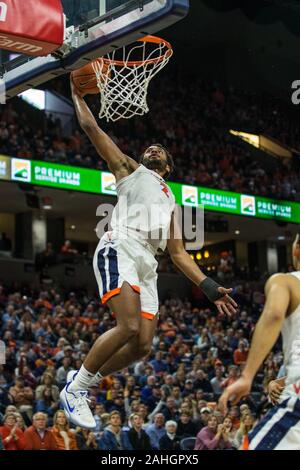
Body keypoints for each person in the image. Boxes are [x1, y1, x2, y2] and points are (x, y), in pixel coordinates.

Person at [60, 77, 238, 430]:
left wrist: (210, 286)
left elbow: (179, 254)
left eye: (161, 150)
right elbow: (90, 127)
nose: (154, 149)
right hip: (121, 245)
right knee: (126, 326)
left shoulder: (172, 200)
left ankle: (82, 380)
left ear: (168, 168)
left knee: (142, 346)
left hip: (147, 262)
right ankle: (75, 390)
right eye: (151, 147)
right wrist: (77, 94)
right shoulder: (130, 170)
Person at [219, 232, 300, 450]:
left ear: (295, 250)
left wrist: (247, 376)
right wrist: (283, 382)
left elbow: (274, 314)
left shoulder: (286, 281)